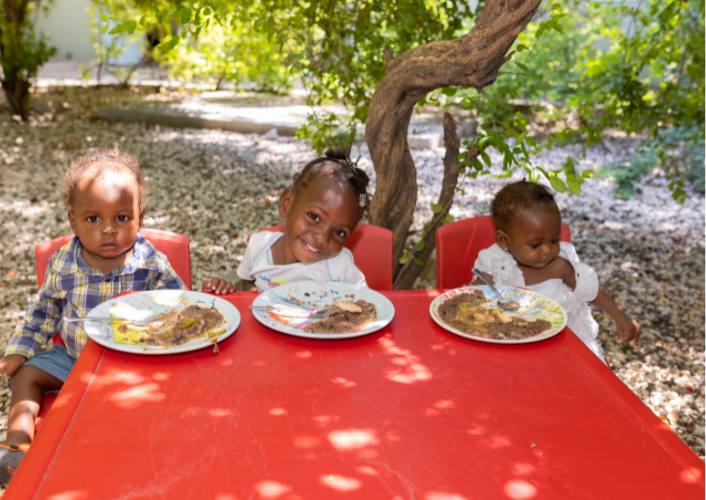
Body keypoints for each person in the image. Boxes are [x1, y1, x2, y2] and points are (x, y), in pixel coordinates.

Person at [0, 149, 185, 485]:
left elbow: (178, 301)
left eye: (121, 218)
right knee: (27, 376)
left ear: (139, 216)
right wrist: (21, 347)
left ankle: (137, 453)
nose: (109, 230)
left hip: (131, 361)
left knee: (157, 399)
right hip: (73, 357)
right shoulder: (65, 263)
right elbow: (43, 310)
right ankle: (17, 443)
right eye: (94, 219)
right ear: (74, 221)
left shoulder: (149, 262)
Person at [473, 180, 640, 362]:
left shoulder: (563, 262)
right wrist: (477, 293)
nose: (548, 250)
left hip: (565, 340)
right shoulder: (493, 260)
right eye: (536, 244)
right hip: (512, 339)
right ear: (504, 241)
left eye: (554, 240)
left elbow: (590, 290)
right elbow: (475, 293)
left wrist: (618, 315)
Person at [203, 150, 369, 293]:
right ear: (286, 204)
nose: (322, 238)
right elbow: (246, 286)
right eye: (314, 217)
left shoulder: (339, 266)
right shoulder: (259, 247)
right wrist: (225, 287)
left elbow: (366, 303)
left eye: (339, 232)